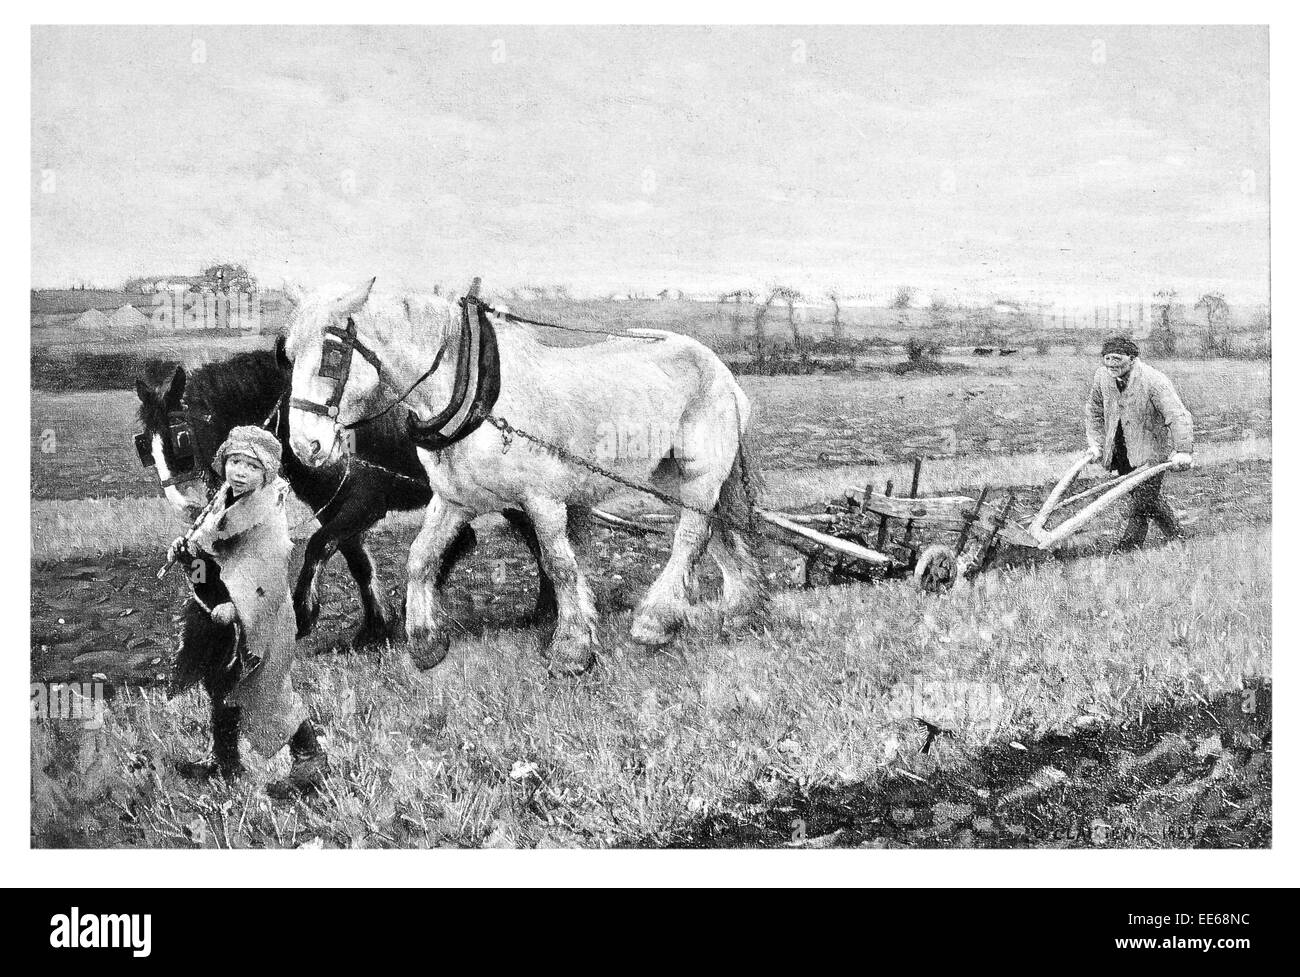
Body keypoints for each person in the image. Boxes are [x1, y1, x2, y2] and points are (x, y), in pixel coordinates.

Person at [167, 425, 329, 797]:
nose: (239, 472)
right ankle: (224, 761)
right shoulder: (223, 501)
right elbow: (209, 561)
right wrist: (188, 555)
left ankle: (311, 758)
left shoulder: (268, 515)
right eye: (234, 462)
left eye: (251, 466)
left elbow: (266, 571)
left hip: (260, 613)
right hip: (218, 609)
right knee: (221, 685)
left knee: (267, 686)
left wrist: (236, 607)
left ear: (267, 473)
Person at [1084, 336, 1194, 549]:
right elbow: (1094, 410)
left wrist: (1183, 450)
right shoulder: (1102, 377)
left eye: (1117, 358)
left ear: (1132, 359)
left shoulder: (1154, 380)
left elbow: (1177, 414)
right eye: (1107, 358)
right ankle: (1177, 535)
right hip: (1120, 451)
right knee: (1145, 497)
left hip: (1150, 451)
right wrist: (1096, 444)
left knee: (1141, 503)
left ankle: (1127, 549)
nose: (1111, 364)